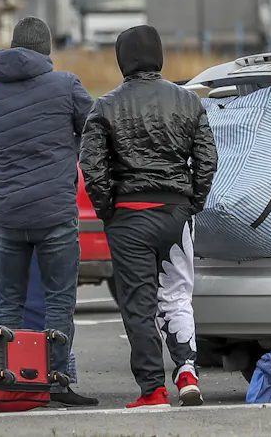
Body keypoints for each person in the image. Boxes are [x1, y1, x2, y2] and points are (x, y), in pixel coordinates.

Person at [79, 24, 218, 409]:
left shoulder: (104, 106)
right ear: (159, 56)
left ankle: (153, 390)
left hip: (129, 217)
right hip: (176, 212)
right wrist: (193, 202)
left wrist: (109, 210)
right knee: (177, 295)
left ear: (122, 59)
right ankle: (187, 370)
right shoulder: (189, 101)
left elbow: (91, 167)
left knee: (138, 305)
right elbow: (207, 158)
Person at [0, 16, 98, 407]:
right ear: (46, 50)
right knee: (58, 299)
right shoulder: (66, 85)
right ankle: (55, 382)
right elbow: (95, 132)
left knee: (7, 301)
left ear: (12, 45)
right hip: (56, 212)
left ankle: (12, 381)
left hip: (7, 215)